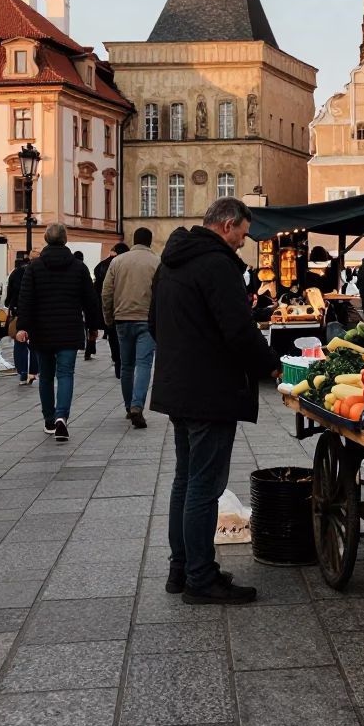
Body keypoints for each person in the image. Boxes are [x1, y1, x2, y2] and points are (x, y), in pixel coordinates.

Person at [149, 197, 281, 604]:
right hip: (209, 390)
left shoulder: (171, 261)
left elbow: (154, 323)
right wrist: (272, 366)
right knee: (204, 487)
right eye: (242, 234)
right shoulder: (217, 264)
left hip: (179, 387)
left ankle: (181, 569)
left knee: (186, 481)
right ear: (226, 226)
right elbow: (239, 331)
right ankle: (201, 579)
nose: (243, 242)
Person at [15, 224, 100, 441]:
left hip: (41, 329)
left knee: (45, 376)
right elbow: (89, 301)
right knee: (65, 374)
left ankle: (49, 420)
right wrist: (92, 327)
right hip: (69, 328)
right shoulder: (79, 268)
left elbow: (25, 300)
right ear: (66, 239)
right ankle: (62, 415)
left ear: (45, 239)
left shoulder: (34, 268)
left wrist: (22, 327)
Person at [103, 228, 160, 428]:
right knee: (144, 364)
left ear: (134, 240)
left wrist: (109, 318)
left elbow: (106, 292)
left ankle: (128, 407)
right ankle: (138, 406)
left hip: (122, 318)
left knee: (126, 365)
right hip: (147, 320)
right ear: (150, 241)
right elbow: (162, 294)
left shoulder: (117, 262)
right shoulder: (157, 262)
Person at [94, 242, 129, 377]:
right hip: (124, 305)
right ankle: (124, 362)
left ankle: (117, 360)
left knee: (113, 336)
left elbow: (103, 291)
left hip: (110, 306)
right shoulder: (124, 264)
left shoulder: (103, 265)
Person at [5, 253, 39, 385]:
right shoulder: (40, 271)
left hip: (19, 311)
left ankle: (22, 371)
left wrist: (10, 305)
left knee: (20, 342)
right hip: (36, 312)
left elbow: (9, 293)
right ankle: (33, 372)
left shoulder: (16, 272)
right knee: (35, 343)